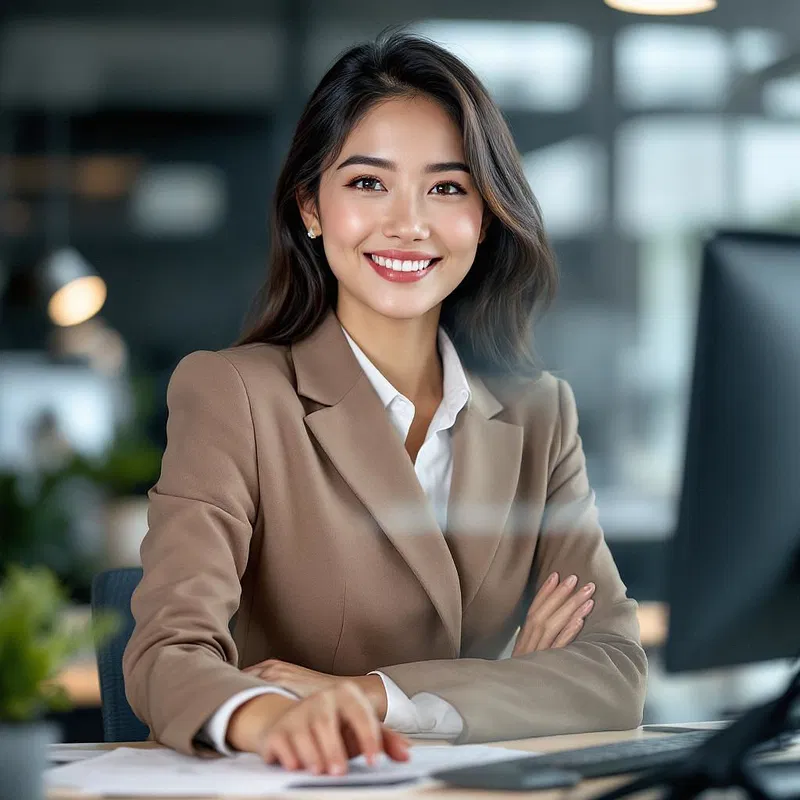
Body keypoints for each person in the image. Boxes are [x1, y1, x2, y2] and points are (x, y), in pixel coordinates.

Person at [123, 30, 647, 777]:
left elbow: (615, 676)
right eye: (368, 183)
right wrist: (275, 716)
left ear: (486, 215)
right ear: (311, 206)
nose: (408, 224)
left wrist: (372, 697)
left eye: (447, 187)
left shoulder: (537, 414)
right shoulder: (235, 393)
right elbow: (167, 654)